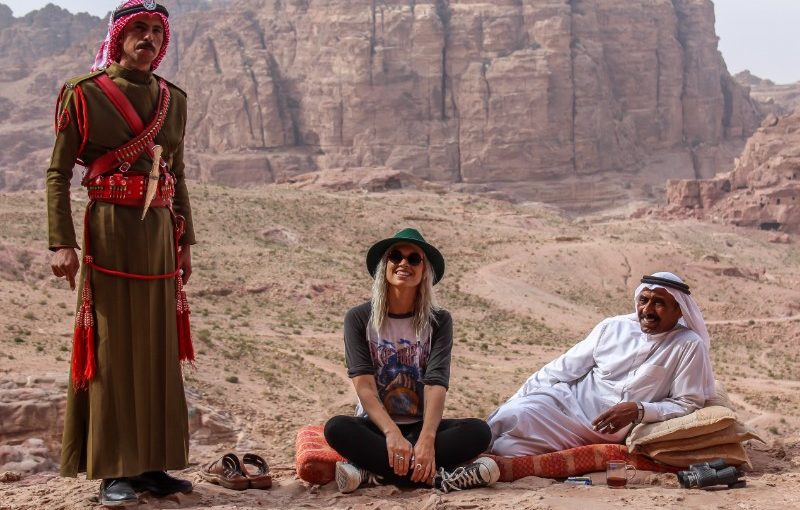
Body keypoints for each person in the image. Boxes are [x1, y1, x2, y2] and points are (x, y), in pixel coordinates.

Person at [46, 1, 196, 505]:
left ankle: (152, 466)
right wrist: (61, 242)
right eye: (138, 29)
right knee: (111, 349)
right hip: (107, 235)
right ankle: (114, 469)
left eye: (156, 30)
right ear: (117, 36)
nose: (148, 38)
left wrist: (186, 242)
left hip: (158, 238)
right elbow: (58, 172)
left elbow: (177, 176)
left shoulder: (173, 101)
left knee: (157, 348)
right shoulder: (82, 95)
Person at [324, 228, 500, 493]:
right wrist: (392, 434)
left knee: (479, 432)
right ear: (385, 266)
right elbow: (365, 388)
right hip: (377, 428)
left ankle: (373, 473)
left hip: (421, 425)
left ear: (424, 271)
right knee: (337, 428)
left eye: (413, 258)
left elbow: (436, 384)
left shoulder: (439, 321)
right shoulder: (359, 318)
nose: (403, 263)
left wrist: (427, 439)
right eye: (395, 256)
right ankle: (440, 478)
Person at [487, 272, 715, 456]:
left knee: (507, 449)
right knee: (512, 415)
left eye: (658, 303)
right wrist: (516, 398)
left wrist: (639, 410)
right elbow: (560, 369)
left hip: (600, 430)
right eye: (644, 300)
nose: (647, 310)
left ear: (679, 310)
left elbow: (687, 403)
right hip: (564, 402)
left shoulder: (688, 345)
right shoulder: (613, 327)